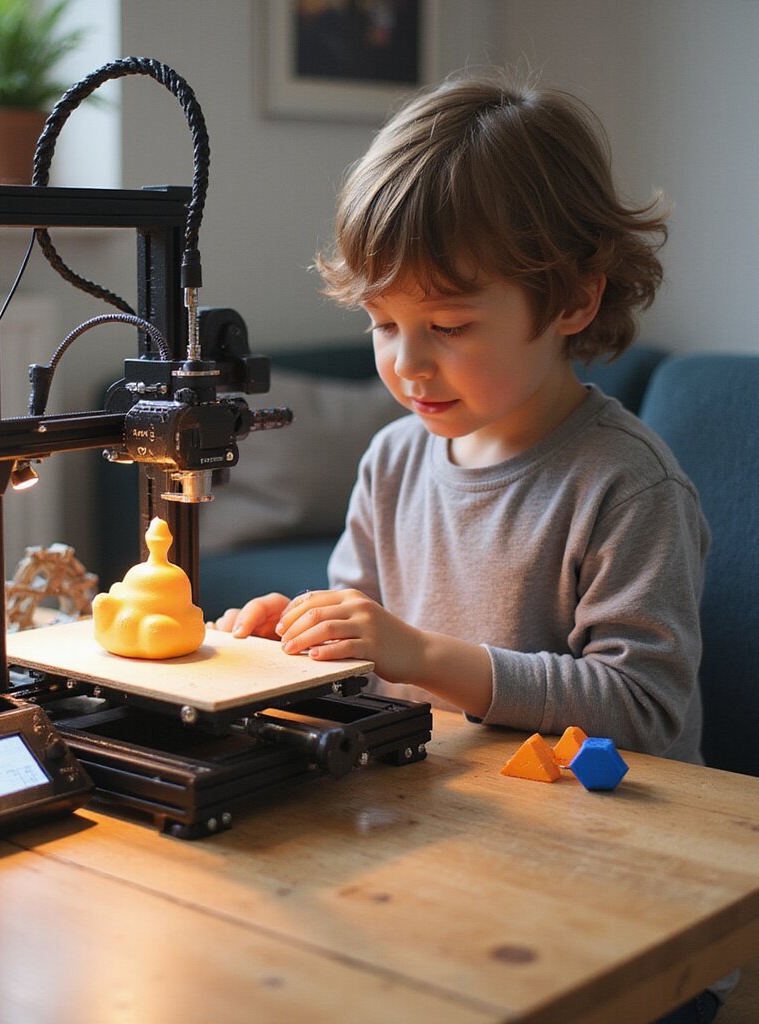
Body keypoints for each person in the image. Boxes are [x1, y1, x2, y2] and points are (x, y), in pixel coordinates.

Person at [216, 69, 727, 1023]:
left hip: (623, 905)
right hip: (454, 853)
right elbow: (361, 666)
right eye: (382, 324)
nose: (407, 363)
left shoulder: (625, 484)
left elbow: (646, 712)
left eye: (448, 326)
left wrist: (425, 656)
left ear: (574, 298)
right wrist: (291, 643)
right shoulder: (394, 459)